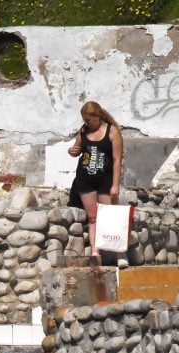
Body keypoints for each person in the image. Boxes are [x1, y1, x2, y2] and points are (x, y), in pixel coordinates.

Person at [68, 101, 124, 261]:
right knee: (93, 218)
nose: (86, 123)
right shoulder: (84, 131)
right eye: (84, 120)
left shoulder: (112, 132)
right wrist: (71, 151)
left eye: (88, 120)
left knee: (110, 216)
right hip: (85, 180)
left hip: (105, 180)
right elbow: (75, 149)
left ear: (97, 116)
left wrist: (115, 185)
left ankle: (120, 252)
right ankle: (95, 252)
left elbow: (117, 159)